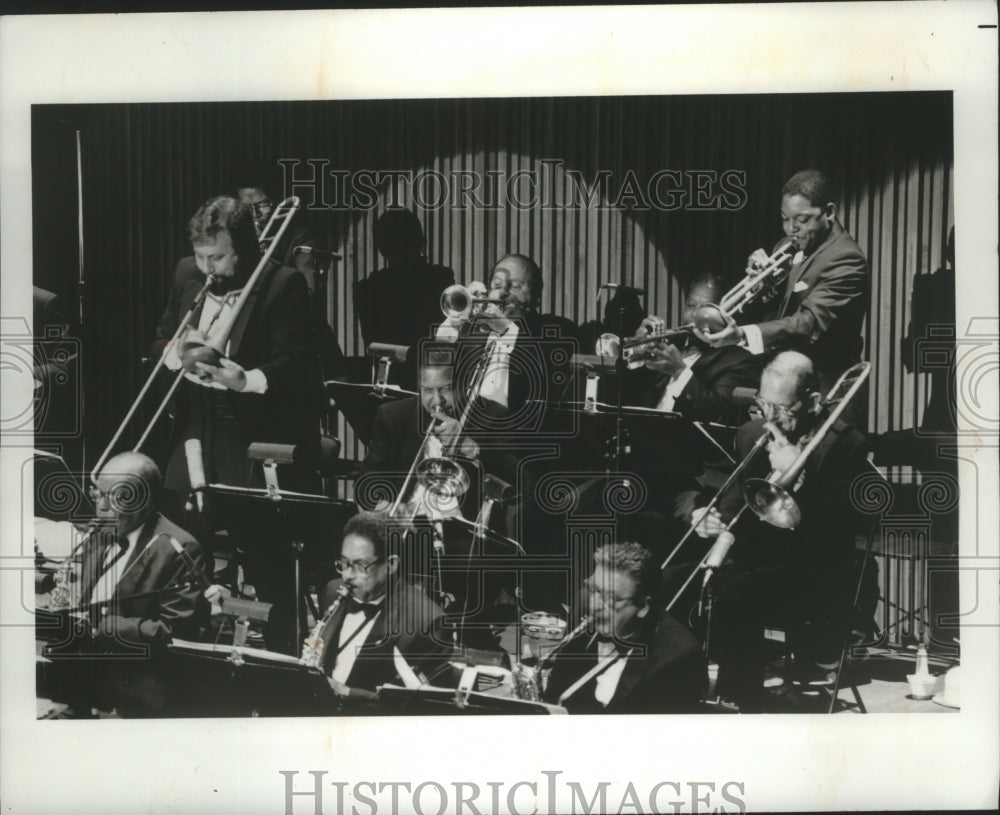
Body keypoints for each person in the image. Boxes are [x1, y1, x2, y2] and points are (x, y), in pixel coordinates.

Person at [151, 194, 324, 652]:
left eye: (218, 257)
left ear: (243, 249)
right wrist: (177, 352)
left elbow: (299, 366)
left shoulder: (282, 283)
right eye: (201, 256)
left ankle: (282, 656)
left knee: (265, 552)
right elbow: (160, 338)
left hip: (247, 431)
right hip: (193, 425)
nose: (207, 267)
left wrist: (244, 378)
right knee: (179, 546)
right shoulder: (187, 273)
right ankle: (185, 651)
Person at [691, 351, 870, 712]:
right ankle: (702, 693)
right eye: (764, 404)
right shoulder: (750, 434)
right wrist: (707, 518)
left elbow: (843, 525)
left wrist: (801, 482)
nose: (770, 417)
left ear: (813, 401)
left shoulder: (846, 443)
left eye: (782, 408)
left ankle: (746, 701)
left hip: (817, 571)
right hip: (760, 559)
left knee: (740, 593)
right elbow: (734, 499)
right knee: (683, 578)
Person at [39, 452, 209, 717]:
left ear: (147, 501)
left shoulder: (179, 548)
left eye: (115, 497)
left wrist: (98, 625)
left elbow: (174, 633)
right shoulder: (100, 531)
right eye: (98, 495)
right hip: (80, 679)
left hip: (132, 691)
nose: (102, 507)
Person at [696, 169, 868, 421]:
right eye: (785, 219)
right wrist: (760, 286)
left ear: (829, 212)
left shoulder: (846, 258)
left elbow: (808, 323)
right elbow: (777, 309)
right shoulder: (788, 247)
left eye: (802, 219)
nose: (791, 229)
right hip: (783, 389)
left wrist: (742, 335)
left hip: (824, 393)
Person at [542, 541, 707, 713]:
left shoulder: (680, 658)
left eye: (611, 598)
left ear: (643, 606)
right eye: (594, 589)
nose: (595, 605)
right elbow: (556, 689)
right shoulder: (584, 603)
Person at [302, 511, 450, 700]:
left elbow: (422, 705)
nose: (347, 575)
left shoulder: (427, 622)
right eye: (344, 563)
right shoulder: (333, 590)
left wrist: (347, 692)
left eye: (360, 565)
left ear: (391, 564)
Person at [231, 159, 347, 382]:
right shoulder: (237, 241)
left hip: (300, 348)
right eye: (246, 209)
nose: (254, 216)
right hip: (255, 350)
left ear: (277, 203)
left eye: (263, 205)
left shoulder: (302, 236)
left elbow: (308, 299)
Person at [354, 209, 455, 390]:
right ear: (421, 241)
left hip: (399, 379)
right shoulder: (440, 278)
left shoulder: (369, 288)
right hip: (429, 377)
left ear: (381, 249)